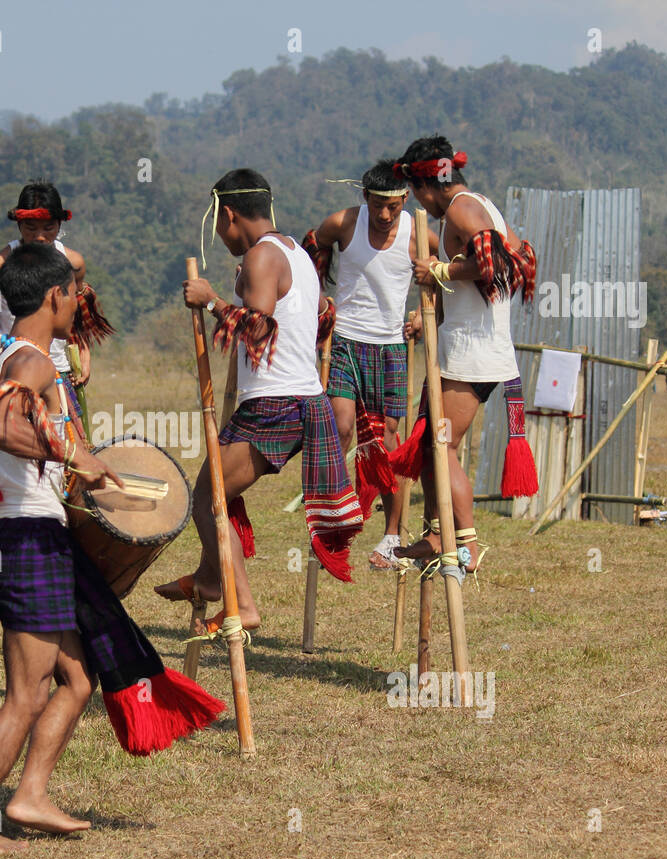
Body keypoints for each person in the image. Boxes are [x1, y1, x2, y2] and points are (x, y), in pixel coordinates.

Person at [0, 243, 223, 852]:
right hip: (30, 540)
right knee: (25, 694)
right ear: (53, 296)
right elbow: (5, 427)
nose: (78, 301)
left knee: (79, 680)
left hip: (28, 534)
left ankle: (30, 794)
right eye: (73, 292)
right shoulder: (33, 360)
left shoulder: (1, 354)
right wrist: (76, 457)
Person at [154, 169, 364, 632]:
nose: (219, 234)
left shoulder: (261, 257)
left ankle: (241, 603)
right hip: (294, 399)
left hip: (277, 402)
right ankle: (211, 577)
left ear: (229, 214)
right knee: (215, 493)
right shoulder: (295, 253)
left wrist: (211, 301)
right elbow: (312, 316)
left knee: (209, 495)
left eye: (218, 225)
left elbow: (261, 328)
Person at [389, 136, 538, 573]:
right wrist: (433, 308)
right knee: (430, 440)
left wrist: (440, 268)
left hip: (471, 353)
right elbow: (510, 259)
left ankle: (466, 543)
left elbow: (504, 267)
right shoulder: (483, 204)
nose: (419, 202)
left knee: (441, 444)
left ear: (425, 185)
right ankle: (437, 534)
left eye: (415, 193)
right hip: (477, 348)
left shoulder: (459, 208)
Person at [303, 158, 441, 569]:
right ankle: (334, 518)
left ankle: (390, 537)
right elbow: (311, 247)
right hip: (345, 340)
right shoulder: (343, 223)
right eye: (377, 205)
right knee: (341, 424)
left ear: (404, 201)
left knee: (388, 444)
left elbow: (450, 269)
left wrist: (424, 311)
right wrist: (319, 298)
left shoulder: (418, 233)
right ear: (365, 197)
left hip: (392, 347)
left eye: (393, 206)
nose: (384, 215)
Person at [0, 181, 112, 423]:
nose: (40, 237)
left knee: (67, 453)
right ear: (19, 224)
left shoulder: (73, 264)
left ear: (60, 224)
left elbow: (78, 312)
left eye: (49, 227)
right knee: (12, 443)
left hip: (60, 372)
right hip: (13, 371)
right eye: (30, 228)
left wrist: (84, 355)